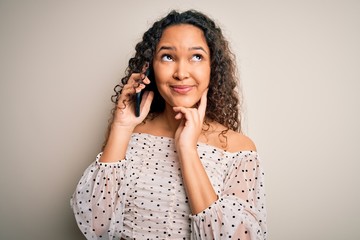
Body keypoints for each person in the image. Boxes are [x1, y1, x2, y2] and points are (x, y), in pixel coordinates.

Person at [71, 9, 267, 240]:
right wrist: (121, 128)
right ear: (150, 67)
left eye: (196, 57)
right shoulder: (131, 132)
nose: (181, 73)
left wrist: (187, 150)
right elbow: (96, 226)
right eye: (168, 57)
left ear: (213, 67)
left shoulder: (238, 149)